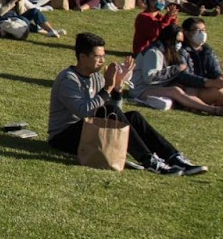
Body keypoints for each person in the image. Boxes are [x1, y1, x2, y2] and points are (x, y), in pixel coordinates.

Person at [47, 32, 208, 175]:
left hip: (90, 129)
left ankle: (173, 156)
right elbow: (85, 112)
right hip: (64, 136)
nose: (103, 61)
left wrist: (117, 88)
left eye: (104, 55)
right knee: (109, 109)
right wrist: (108, 88)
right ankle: (149, 161)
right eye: (98, 56)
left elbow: (115, 114)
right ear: (82, 57)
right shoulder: (69, 79)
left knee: (134, 116)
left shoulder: (95, 76)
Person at [128, 22, 223, 115]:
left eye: (181, 42)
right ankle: (209, 109)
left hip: (157, 86)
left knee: (187, 87)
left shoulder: (168, 51)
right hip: (141, 89)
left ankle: (196, 106)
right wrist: (175, 69)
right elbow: (149, 78)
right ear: (169, 39)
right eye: (177, 41)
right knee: (175, 90)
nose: (179, 45)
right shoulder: (154, 52)